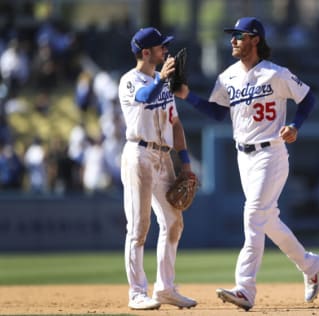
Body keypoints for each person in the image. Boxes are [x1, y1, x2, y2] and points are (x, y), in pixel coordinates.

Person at [175, 17, 319, 311]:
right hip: (244, 156)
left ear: (255, 39)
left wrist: (295, 125)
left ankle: (245, 288)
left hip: (272, 152)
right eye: (233, 36)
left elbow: (307, 98)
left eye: (239, 36)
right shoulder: (227, 76)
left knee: (253, 214)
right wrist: (186, 95)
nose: (233, 40)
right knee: (268, 221)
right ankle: (310, 265)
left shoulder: (275, 73)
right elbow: (218, 114)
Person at [117, 27, 197, 310]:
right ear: (146, 52)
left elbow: (175, 124)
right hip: (138, 153)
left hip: (163, 157)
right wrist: (162, 79)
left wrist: (185, 162)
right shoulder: (130, 80)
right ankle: (137, 292)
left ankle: (165, 288)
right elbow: (145, 98)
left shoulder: (163, 84)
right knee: (139, 227)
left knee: (174, 221)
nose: (166, 51)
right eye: (161, 47)